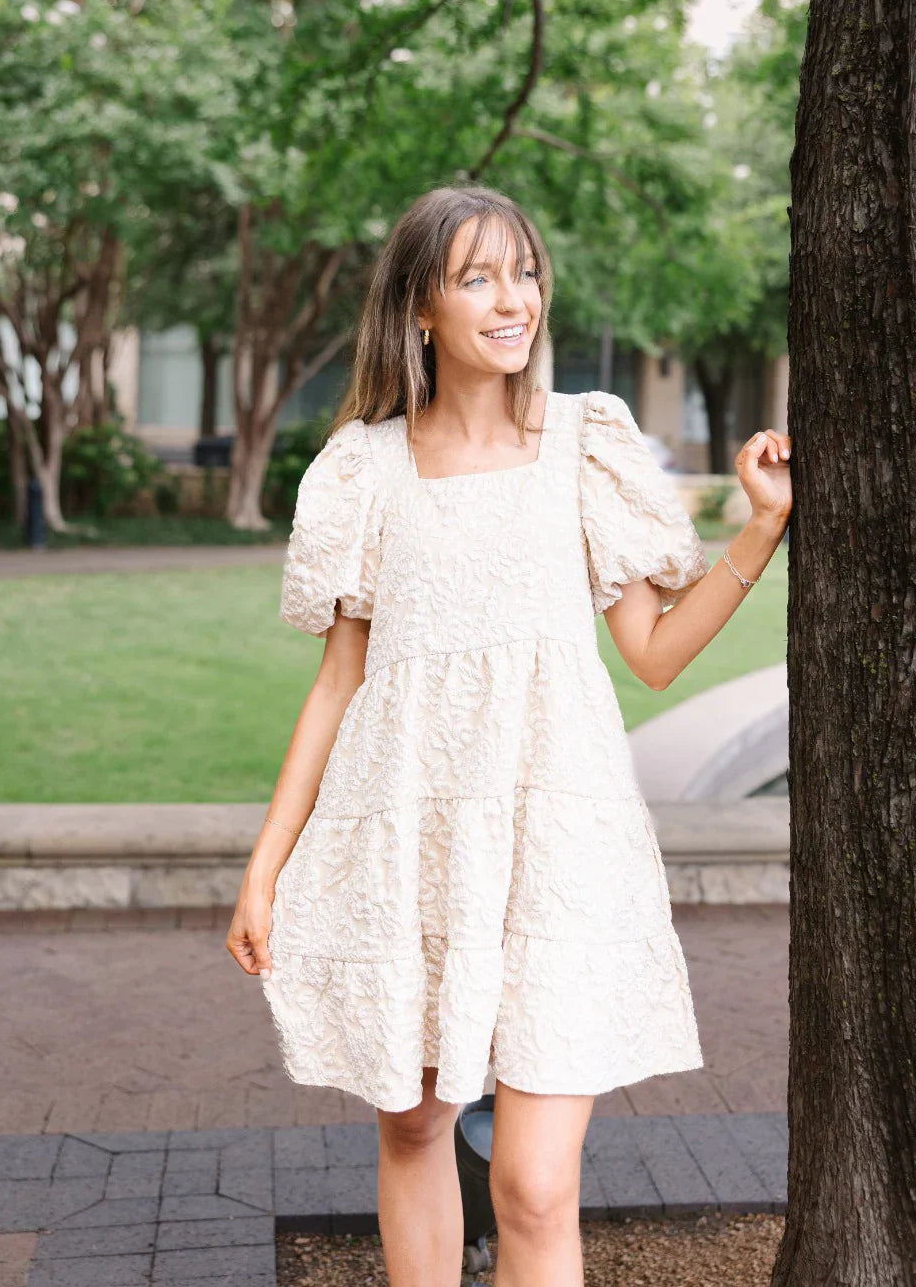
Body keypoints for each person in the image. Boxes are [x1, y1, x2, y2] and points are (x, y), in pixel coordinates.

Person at [226, 183, 792, 1287]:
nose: (512, 299)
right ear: (419, 309)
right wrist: (266, 866)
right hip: (408, 840)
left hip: (556, 838)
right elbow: (339, 679)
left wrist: (759, 529)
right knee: (413, 1127)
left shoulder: (586, 443)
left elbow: (655, 653)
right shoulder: (364, 470)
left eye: (524, 272)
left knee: (535, 1182)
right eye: (477, 276)